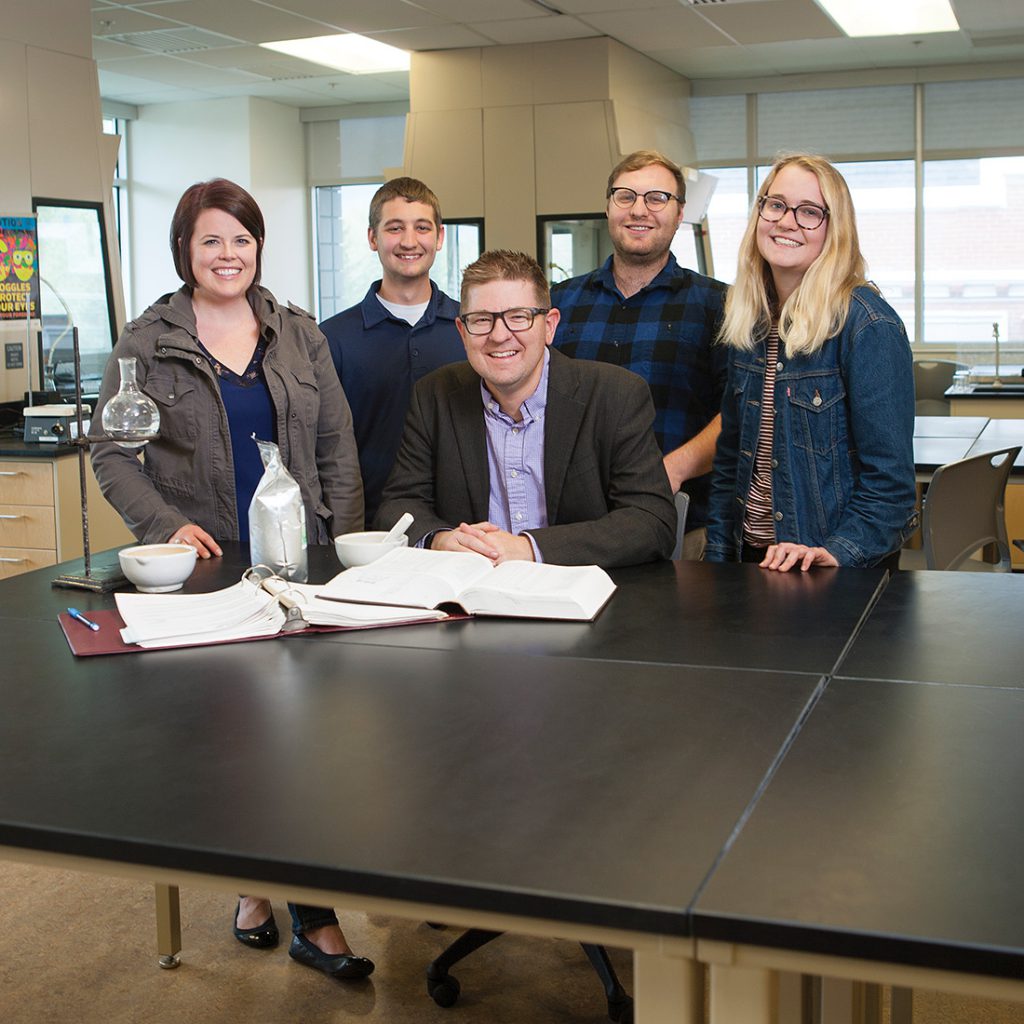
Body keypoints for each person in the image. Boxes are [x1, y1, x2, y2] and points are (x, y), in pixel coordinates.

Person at [91, 178, 372, 981]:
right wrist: (160, 525)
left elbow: (337, 448)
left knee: (307, 748)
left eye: (242, 239)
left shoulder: (297, 335)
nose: (228, 255)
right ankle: (259, 892)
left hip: (299, 567)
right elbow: (112, 452)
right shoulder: (145, 342)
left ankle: (309, 912)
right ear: (185, 249)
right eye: (211, 240)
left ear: (258, 248)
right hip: (208, 572)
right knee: (230, 745)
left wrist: (341, 547)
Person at [376, 250, 676, 567]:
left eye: (518, 317)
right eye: (481, 320)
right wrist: (441, 540)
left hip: (585, 599)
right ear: (463, 333)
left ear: (549, 326)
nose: (499, 335)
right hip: (472, 597)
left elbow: (651, 520)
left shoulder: (616, 395)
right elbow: (399, 505)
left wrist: (530, 549)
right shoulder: (433, 396)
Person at [705, 154, 917, 572]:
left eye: (809, 212)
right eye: (776, 204)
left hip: (832, 571)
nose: (787, 221)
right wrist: (715, 562)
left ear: (833, 229)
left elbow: (891, 488)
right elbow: (730, 461)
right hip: (752, 563)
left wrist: (835, 553)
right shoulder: (747, 320)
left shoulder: (867, 324)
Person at [551, 149, 728, 557]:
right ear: (608, 206)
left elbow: (742, 411)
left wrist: (670, 471)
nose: (639, 210)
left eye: (657, 198)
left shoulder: (719, 306)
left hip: (682, 528)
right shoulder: (559, 303)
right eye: (625, 196)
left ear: (679, 213)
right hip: (573, 529)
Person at [320, 177, 464, 524]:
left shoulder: (472, 328)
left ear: (440, 237)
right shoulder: (331, 338)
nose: (409, 241)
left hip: (463, 526)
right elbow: (324, 448)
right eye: (395, 228)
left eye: (422, 228)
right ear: (373, 238)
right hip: (367, 527)